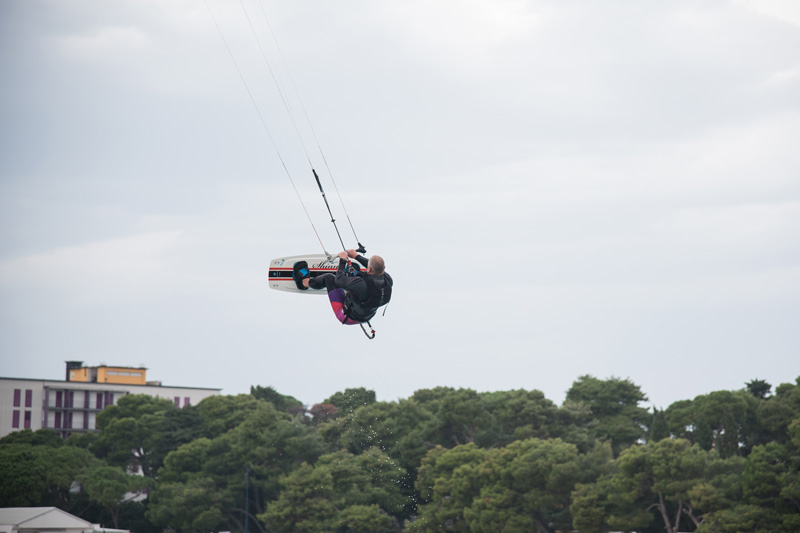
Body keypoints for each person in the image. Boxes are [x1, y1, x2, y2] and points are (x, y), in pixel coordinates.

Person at [294, 249, 392, 325]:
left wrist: (343, 260)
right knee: (354, 281)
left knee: (329, 278)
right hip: (365, 316)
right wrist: (356, 256)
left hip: (346, 316)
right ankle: (349, 279)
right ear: (384, 268)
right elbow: (376, 268)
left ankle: (304, 283)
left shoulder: (361, 284)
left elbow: (338, 280)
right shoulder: (388, 280)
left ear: (368, 268)